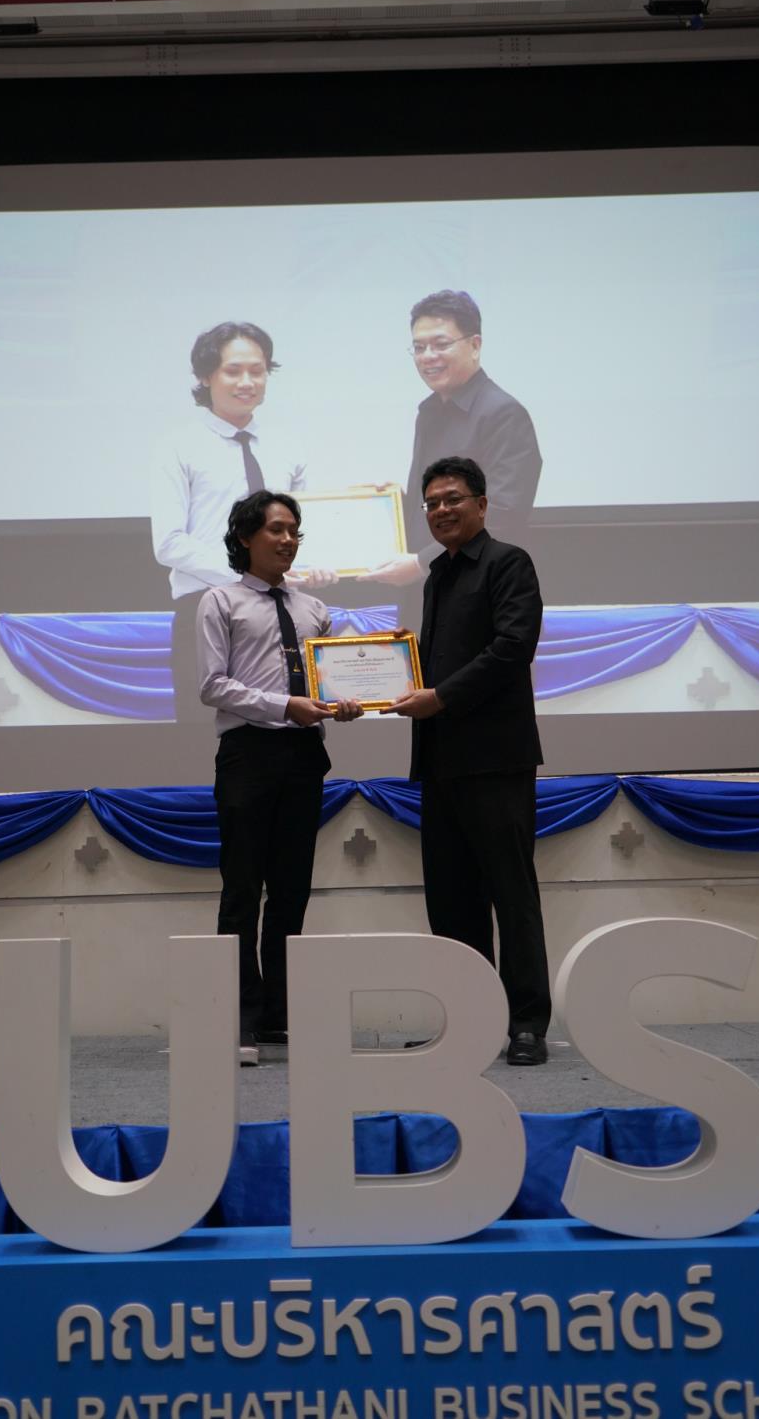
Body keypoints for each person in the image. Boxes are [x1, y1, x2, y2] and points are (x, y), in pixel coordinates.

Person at [383, 455, 551, 1066]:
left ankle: (526, 1024)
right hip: (441, 760)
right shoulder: (437, 576)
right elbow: (436, 661)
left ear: (482, 504)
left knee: (511, 894)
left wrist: (441, 697)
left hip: (495, 759)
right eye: (431, 503)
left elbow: (513, 648)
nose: (441, 510)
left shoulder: (508, 563)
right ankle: (470, 1022)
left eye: (452, 498)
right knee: (452, 900)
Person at [197, 490, 362, 1065]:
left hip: (302, 756)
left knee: (292, 891)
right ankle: (238, 1017)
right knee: (242, 890)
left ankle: (277, 1016)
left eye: (294, 530)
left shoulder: (314, 609)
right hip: (247, 753)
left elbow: (330, 680)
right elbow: (213, 685)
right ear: (245, 537)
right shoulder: (220, 600)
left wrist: (347, 699)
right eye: (276, 530)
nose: (288, 540)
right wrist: (283, 705)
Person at [151, 321, 308, 719]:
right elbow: (168, 542)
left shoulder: (288, 445)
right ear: (206, 376)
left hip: (281, 607)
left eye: (257, 370)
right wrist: (246, 575)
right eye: (233, 371)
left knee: (287, 721)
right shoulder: (177, 446)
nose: (247, 382)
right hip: (206, 605)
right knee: (200, 731)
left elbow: (305, 529)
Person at [366, 289, 541, 587]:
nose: (427, 356)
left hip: (481, 589)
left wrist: (422, 563)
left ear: (475, 345)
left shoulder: (504, 414)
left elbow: (501, 515)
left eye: (441, 344)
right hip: (432, 589)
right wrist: (395, 502)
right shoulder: (429, 411)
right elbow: (442, 504)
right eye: (419, 347)